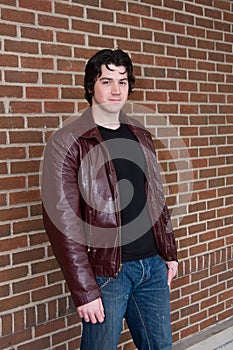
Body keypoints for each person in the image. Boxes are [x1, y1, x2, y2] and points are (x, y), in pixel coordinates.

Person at [41, 48, 178, 350]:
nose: (116, 90)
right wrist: (85, 290)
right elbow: (61, 221)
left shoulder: (140, 134)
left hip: (152, 267)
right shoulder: (68, 142)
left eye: (123, 81)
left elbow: (155, 197)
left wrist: (168, 251)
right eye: (106, 81)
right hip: (107, 273)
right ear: (91, 86)